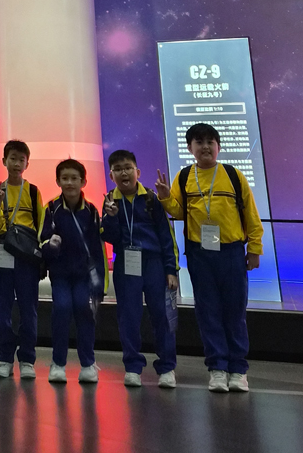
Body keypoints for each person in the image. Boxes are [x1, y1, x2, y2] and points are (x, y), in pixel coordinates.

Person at [155, 123, 263, 393]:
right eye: (199, 142)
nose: (205, 147)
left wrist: (254, 248)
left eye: (210, 142)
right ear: (190, 148)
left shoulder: (233, 175)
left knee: (235, 312)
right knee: (208, 312)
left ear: (218, 146)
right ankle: (217, 369)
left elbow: (251, 214)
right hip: (200, 254)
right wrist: (166, 198)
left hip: (232, 253)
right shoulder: (184, 177)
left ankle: (238, 370)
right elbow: (179, 213)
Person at [100, 149, 178, 388]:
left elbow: (166, 236)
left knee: (162, 316)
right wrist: (111, 217)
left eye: (128, 168)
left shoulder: (151, 199)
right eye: (118, 169)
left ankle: (167, 367)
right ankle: (133, 367)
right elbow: (110, 237)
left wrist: (171, 269)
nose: (124, 173)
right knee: (129, 317)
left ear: (138, 172)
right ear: (111, 175)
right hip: (126, 264)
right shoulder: (110, 201)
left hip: (154, 264)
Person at [41, 158, 106, 384]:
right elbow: (42, 241)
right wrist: (51, 246)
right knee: (61, 309)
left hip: (83, 276)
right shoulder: (51, 209)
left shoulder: (92, 211)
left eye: (74, 178)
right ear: (58, 181)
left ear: (83, 181)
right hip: (60, 275)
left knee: (83, 311)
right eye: (65, 178)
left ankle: (88, 364)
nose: (69, 183)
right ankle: (58, 364)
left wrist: (100, 281)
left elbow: (97, 248)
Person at [0, 140, 45, 381]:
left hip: (26, 259)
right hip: (4, 254)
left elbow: (40, 227)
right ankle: (4, 359)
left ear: (27, 164)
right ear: (4, 161)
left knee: (28, 310)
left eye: (21, 160)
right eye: (12, 158)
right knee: (2, 310)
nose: (16, 163)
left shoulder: (33, 191)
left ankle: (27, 359)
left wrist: (40, 258)